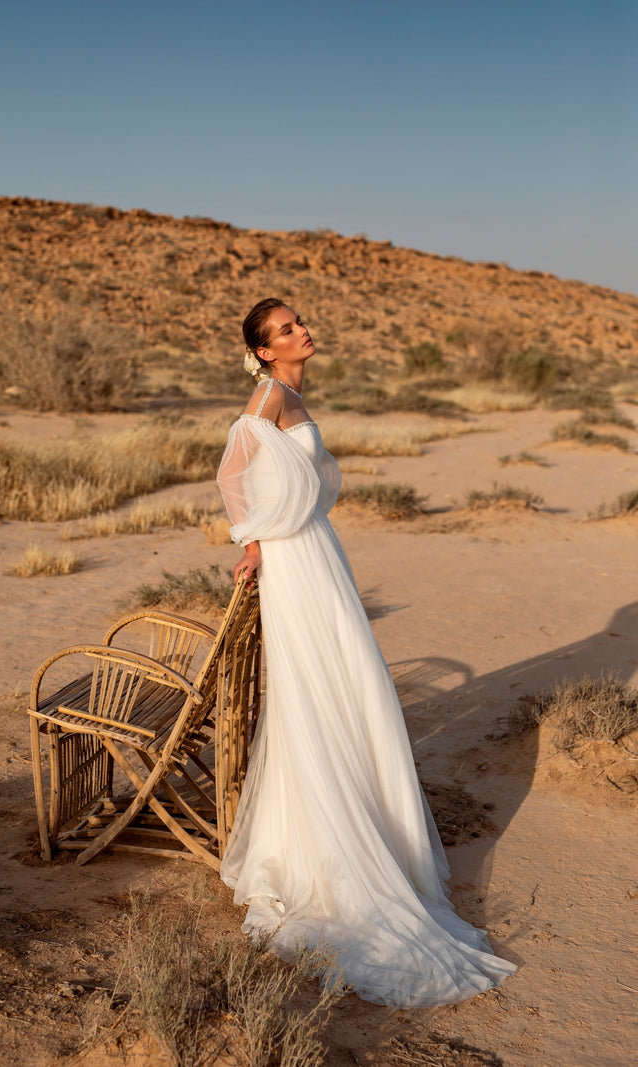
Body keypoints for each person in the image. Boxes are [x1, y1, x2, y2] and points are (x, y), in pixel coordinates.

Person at [216, 298, 516, 1007]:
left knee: (345, 687)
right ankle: (333, 849)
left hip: (314, 554)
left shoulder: (289, 391)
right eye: (286, 329)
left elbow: (266, 473)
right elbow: (234, 471)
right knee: (326, 691)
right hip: (297, 561)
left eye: (298, 323)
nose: (302, 331)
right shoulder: (268, 395)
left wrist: (272, 529)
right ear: (263, 351)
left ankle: (359, 826)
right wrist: (255, 540)